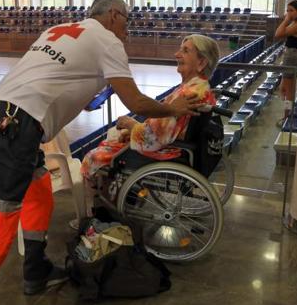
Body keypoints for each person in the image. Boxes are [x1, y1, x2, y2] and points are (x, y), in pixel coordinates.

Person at [0, 0, 202, 305]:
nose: (128, 26)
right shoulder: (108, 38)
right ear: (113, 14)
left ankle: (35, 270)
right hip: (20, 122)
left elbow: (57, 76)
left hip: (6, 112)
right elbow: (137, 101)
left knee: (38, 191)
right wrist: (175, 108)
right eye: (127, 18)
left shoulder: (63, 27)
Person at [80, 35, 219, 198]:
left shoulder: (190, 93)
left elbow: (154, 137)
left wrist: (131, 125)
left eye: (185, 51)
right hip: (174, 144)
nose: (177, 54)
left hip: (165, 151)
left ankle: (98, 206)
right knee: (114, 135)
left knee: (92, 157)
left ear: (201, 63)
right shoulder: (199, 88)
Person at [274, 0, 297, 125]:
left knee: (288, 91)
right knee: (285, 88)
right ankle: (287, 115)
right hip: (296, 57)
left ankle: (286, 117)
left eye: (291, 11)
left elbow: (278, 34)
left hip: (292, 59)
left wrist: (286, 20)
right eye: (287, 11)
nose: (288, 13)